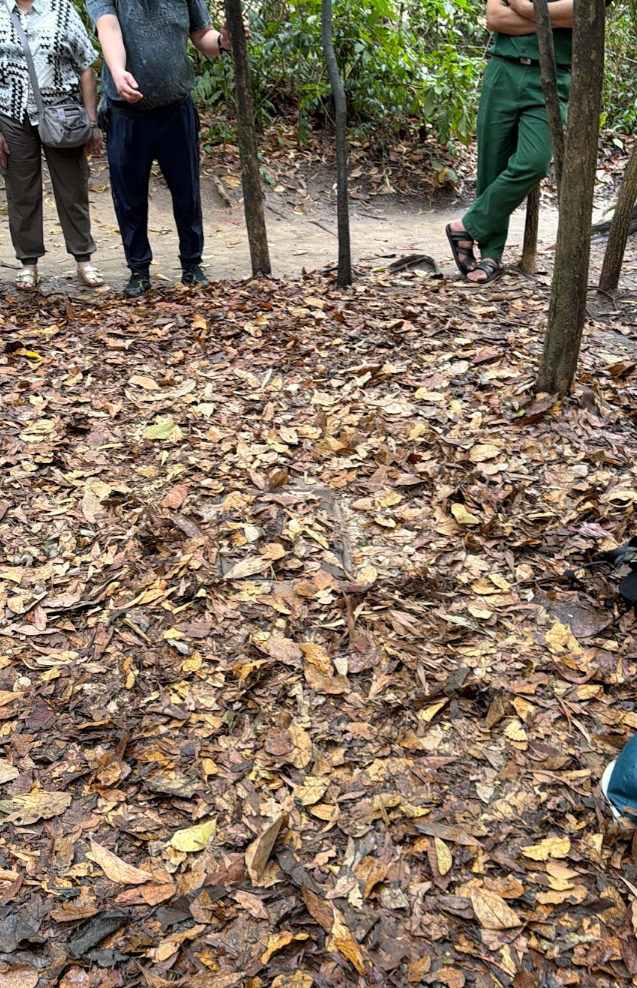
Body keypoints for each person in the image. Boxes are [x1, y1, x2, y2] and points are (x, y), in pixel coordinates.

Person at [86, 0, 235, 297]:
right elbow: (108, 27)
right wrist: (118, 71)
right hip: (125, 113)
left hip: (175, 108)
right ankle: (139, 270)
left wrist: (223, 41)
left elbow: (202, 35)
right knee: (129, 196)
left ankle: (192, 265)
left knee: (187, 191)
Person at [446, 0, 573, 285]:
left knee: (534, 162)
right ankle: (491, 255)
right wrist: (551, 20)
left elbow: (579, 14)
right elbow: (495, 18)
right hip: (502, 71)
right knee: (491, 165)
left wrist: (524, 9)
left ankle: (467, 226)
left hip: (553, 76)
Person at [0, 0, 103, 290]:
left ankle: (84, 260)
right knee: (21, 191)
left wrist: (91, 123)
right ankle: (28, 264)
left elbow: (86, 68)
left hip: (62, 115)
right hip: (11, 116)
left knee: (72, 189)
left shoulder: (62, 9)